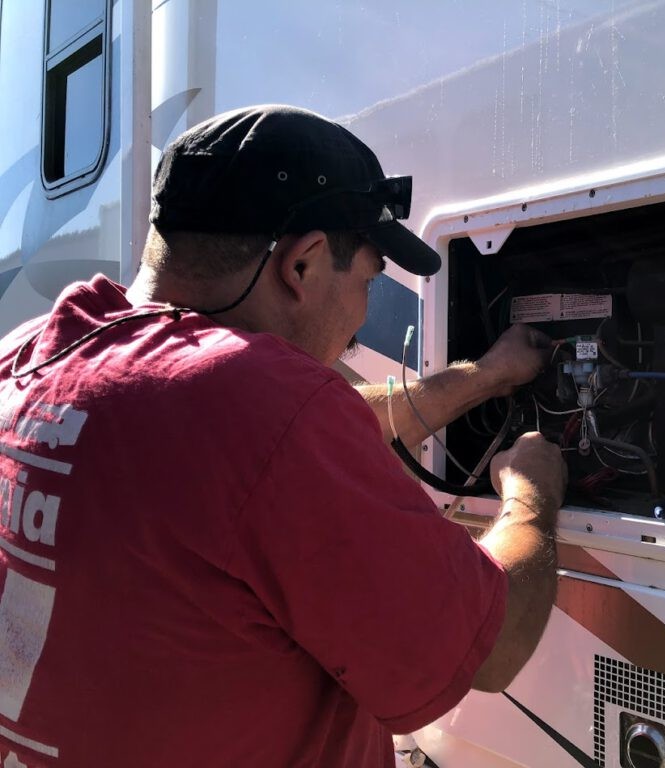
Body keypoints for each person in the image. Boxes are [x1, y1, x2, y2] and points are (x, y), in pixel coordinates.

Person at [0, 105, 566, 767]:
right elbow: (493, 650)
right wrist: (532, 493)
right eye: (368, 282)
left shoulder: (40, 352)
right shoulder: (262, 407)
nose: (361, 320)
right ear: (302, 265)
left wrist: (487, 377)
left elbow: (276, 446)